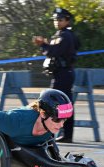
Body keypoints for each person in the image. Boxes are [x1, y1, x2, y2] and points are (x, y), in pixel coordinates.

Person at [32, 7, 80, 143]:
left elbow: (54, 52)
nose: (57, 22)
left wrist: (43, 45)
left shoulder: (65, 36)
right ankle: (63, 133)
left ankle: (63, 134)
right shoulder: (61, 35)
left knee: (59, 104)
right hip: (61, 73)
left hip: (64, 73)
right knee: (62, 104)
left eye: (60, 19)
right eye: (55, 19)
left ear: (67, 21)